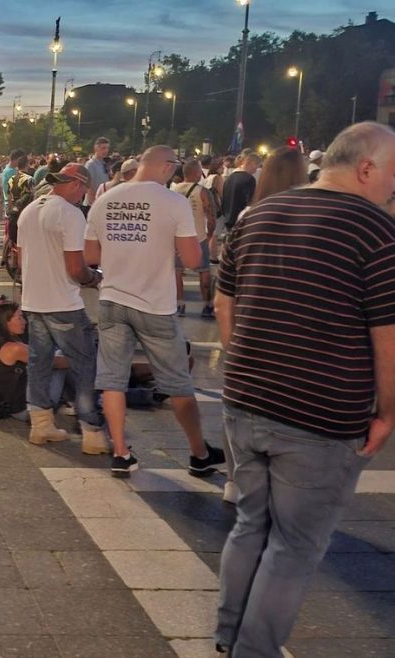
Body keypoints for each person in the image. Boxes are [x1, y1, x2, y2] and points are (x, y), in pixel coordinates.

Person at [212, 121, 395, 658]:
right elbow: (388, 337)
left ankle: (228, 636)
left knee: (250, 525)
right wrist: (387, 412)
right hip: (320, 414)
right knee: (294, 546)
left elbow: (223, 302)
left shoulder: (258, 215)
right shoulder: (377, 231)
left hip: (245, 398)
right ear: (366, 167)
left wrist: (247, 359)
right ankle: (253, 651)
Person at [85, 145, 225, 478]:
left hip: (113, 300)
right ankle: (199, 453)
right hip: (155, 304)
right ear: (166, 167)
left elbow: (90, 256)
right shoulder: (172, 201)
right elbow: (192, 259)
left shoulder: (105, 199)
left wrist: (123, 251)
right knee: (177, 382)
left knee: (112, 380)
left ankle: (120, 452)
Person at [17, 163, 108, 454]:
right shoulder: (70, 214)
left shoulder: (29, 210)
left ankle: (41, 426)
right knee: (84, 364)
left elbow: (20, 258)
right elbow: (75, 267)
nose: (82, 196)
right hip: (63, 303)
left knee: (39, 364)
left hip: (33, 300)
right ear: (77, 185)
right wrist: (93, 278)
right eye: (83, 190)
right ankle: (92, 432)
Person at [171, 159, 217, 318]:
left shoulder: (173, 190)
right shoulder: (202, 192)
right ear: (197, 173)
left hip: (177, 238)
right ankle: (207, 305)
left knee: (177, 272)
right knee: (203, 271)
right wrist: (209, 235)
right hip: (198, 236)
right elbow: (211, 218)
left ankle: (180, 304)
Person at [83, 137, 111, 207]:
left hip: (102, 202)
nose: (106, 151)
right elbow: (88, 186)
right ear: (96, 148)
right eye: (103, 148)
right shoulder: (90, 164)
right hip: (92, 204)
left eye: (107, 148)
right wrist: (93, 203)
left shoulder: (105, 164)